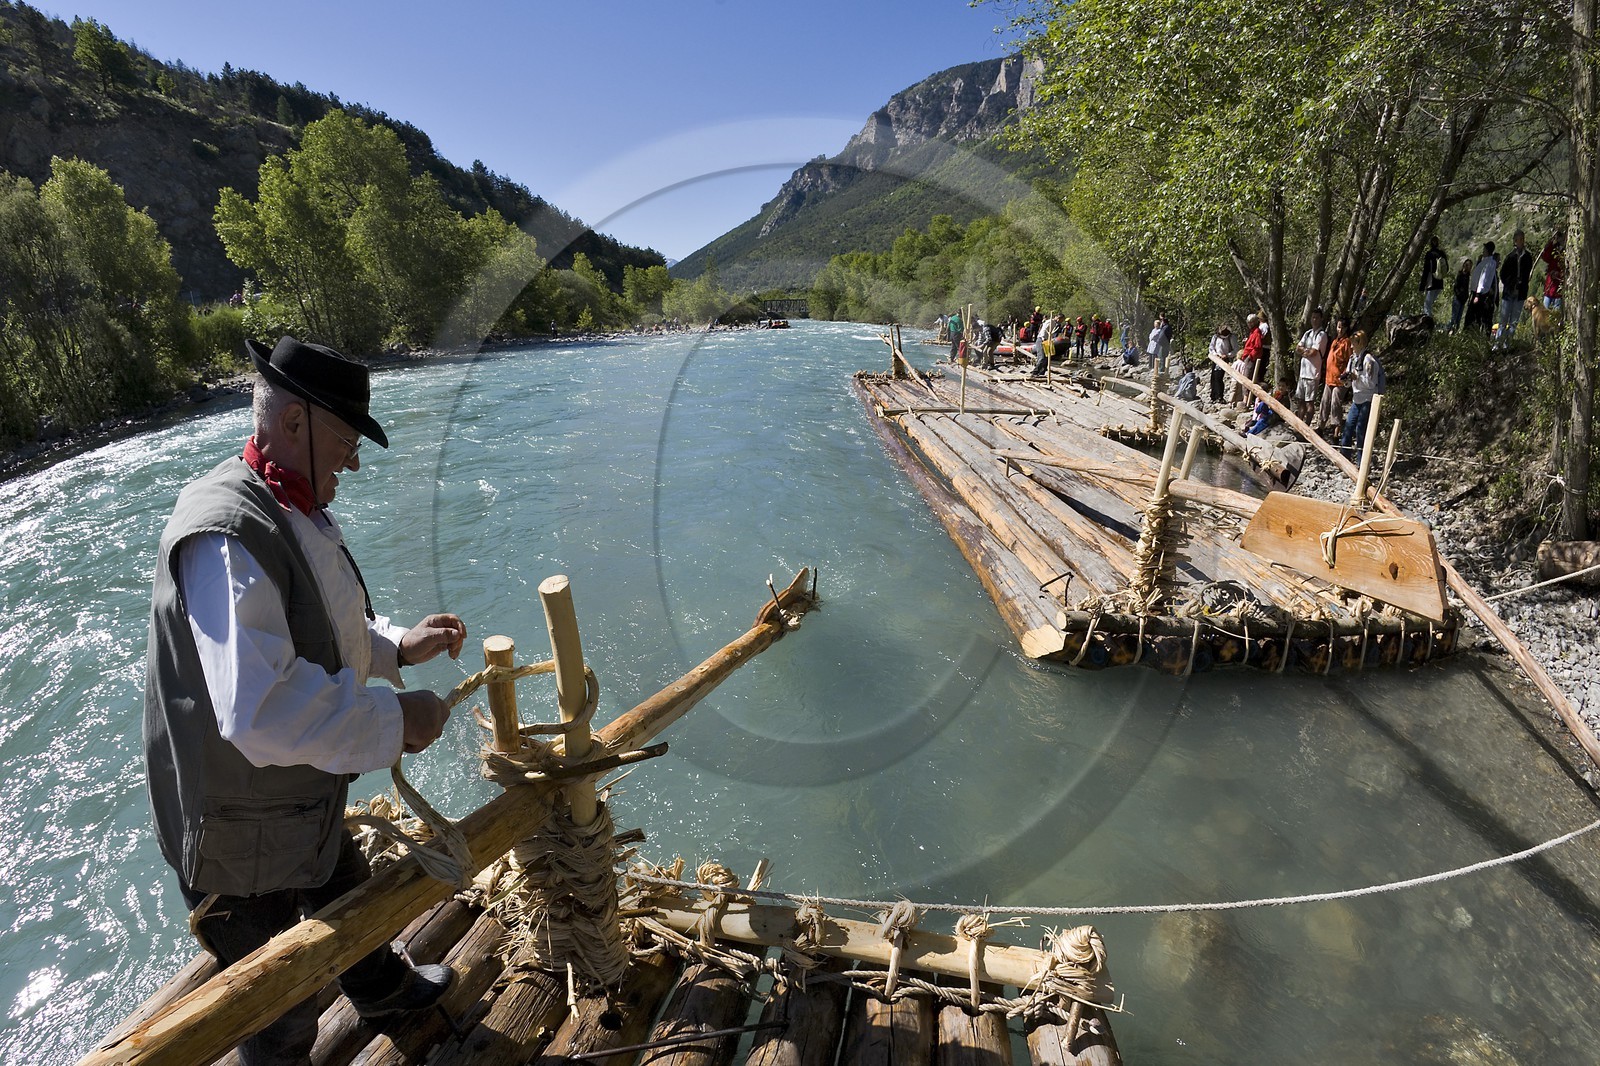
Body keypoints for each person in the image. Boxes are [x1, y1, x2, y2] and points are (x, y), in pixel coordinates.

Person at [144, 336, 468, 1065]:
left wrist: (393, 649)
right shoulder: (226, 535)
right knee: (278, 1011)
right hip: (235, 838)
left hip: (288, 801)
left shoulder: (283, 498)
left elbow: (316, 622)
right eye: (347, 440)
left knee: (344, 891)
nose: (353, 461)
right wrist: (397, 720)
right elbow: (261, 710)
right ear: (295, 425)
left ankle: (380, 985)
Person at [1339, 339, 1386, 460]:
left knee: (1361, 430)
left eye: (1354, 343)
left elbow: (1371, 383)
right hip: (1356, 398)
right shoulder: (1352, 359)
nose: (1351, 346)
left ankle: (1362, 462)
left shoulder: (1369, 360)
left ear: (1361, 344)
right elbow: (1350, 383)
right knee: (1348, 427)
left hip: (1368, 399)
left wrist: (1357, 377)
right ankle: (1344, 458)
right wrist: (1346, 380)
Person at [1495, 229, 1534, 350]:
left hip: (1520, 293)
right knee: (1503, 319)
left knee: (1514, 321)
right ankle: (1498, 343)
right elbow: (1502, 274)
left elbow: (1527, 272)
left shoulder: (1527, 257)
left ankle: (1508, 343)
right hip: (1508, 292)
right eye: (1518, 240)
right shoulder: (1510, 257)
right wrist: (1509, 284)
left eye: (1522, 239)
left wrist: (1522, 283)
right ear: (1515, 241)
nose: (1521, 242)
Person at [1315, 318, 1353, 433]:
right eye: (1338, 327)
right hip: (1329, 378)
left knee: (1335, 404)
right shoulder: (1335, 341)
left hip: (1339, 381)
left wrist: (1345, 374)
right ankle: (1320, 427)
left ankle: (1336, 431)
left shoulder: (1347, 342)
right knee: (1324, 402)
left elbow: (1350, 360)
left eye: (1341, 327)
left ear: (1346, 328)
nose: (1339, 329)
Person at [1294, 307, 1329, 422]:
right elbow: (1298, 348)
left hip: (1312, 374)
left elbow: (1313, 352)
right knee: (1300, 400)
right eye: (1313, 317)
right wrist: (1305, 351)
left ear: (1321, 319)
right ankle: (1299, 424)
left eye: (1317, 318)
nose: (1314, 320)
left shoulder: (1321, 335)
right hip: (1303, 373)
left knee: (1309, 402)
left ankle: (1307, 425)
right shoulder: (1308, 333)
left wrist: (1305, 351)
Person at [1468, 242, 1498, 334]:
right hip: (1477, 292)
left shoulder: (1490, 263)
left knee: (1475, 316)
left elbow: (1483, 279)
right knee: (1473, 316)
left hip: (1480, 294)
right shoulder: (1485, 261)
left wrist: (1477, 294)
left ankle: (1473, 334)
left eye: (1484, 249)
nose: (1483, 251)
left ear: (1488, 251)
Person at [1419, 235, 1446, 319]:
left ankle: (1428, 324)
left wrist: (1422, 286)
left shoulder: (1429, 254)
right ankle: (1429, 322)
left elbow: (1426, 270)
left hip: (1431, 283)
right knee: (1430, 304)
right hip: (1440, 283)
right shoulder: (1442, 254)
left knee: (1427, 305)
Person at [1540, 232, 1566, 310]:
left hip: (1559, 289)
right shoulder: (1553, 249)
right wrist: (1550, 243)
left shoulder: (1566, 252)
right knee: (1544, 311)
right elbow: (1545, 257)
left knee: (1556, 313)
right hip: (1550, 286)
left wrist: (1559, 274)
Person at [1208, 325, 1234, 402]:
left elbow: (1235, 350)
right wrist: (1215, 354)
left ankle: (1220, 396)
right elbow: (1211, 347)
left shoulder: (1231, 338)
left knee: (1219, 377)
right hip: (1216, 358)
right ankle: (1213, 395)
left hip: (1225, 359)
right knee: (1213, 377)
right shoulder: (1215, 337)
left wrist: (1227, 355)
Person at [1447, 257, 1472, 333]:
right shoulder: (1460, 275)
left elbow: (1466, 287)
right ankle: (1449, 331)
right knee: (1454, 317)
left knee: (1458, 318)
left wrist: (1466, 296)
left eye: (1470, 266)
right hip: (1458, 299)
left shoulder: (1467, 276)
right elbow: (1456, 287)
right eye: (1467, 265)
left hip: (1463, 300)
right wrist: (1458, 295)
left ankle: (1454, 332)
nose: (1468, 267)